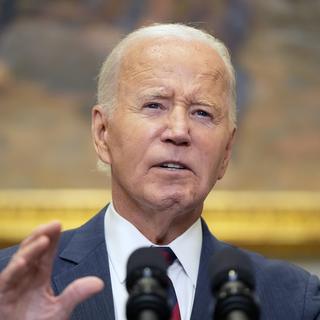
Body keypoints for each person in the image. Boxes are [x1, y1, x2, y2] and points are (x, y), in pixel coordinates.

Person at [0, 23, 319, 320]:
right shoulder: (12, 286)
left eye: (202, 113)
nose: (179, 131)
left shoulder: (294, 300)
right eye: (154, 105)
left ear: (226, 153)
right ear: (102, 133)